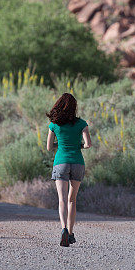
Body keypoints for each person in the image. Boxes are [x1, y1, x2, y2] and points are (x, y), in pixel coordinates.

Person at [46, 92, 91, 247]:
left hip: (61, 162)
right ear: (74, 107)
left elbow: (49, 146)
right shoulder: (82, 123)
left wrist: (61, 145)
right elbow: (88, 144)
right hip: (78, 162)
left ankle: (64, 228)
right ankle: (71, 233)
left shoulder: (54, 124)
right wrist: (78, 145)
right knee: (72, 200)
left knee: (62, 199)